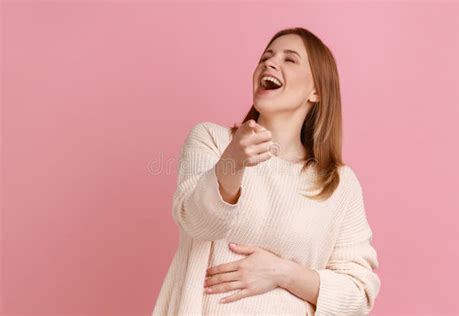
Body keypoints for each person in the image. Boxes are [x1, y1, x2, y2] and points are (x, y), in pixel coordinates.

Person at [152, 27, 381, 315]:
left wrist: (282, 272)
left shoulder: (339, 184)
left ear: (316, 91)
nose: (269, 63)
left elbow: (358, 292)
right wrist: (232, 162)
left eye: (290, 59)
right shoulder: (212, 140)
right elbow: (197, 222)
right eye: (266, 56)